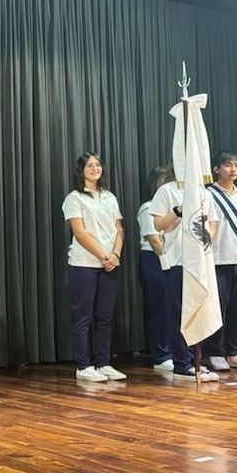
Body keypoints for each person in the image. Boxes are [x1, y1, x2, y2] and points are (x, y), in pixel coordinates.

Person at [150, 167, 220, 382]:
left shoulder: (204, 193)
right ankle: (182, 363)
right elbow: (158, 224)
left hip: (200, 262)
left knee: (198, 310)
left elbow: (213, 222)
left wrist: (207, 237)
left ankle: (195, 360)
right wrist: (178, 211)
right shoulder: (166, 190)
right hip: (177, 261)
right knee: (178, 313)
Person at [61, 153, 126, 382]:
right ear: (81, 170)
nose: (95, 168)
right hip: (84, 265)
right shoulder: (74, 198)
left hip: (110, 264)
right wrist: (103, 256)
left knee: (105, 317)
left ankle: (104, 362)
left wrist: (115, 254)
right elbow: (79, 233)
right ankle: (83, 365)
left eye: (98, 164)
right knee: (83, 317)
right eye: (89, 165)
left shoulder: (109, 197)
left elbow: (119, 229)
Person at [204, 151, 237, 371]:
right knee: (218, 308)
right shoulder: (208, 195)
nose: (233, 169)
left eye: (236, 165)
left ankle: (235, 351)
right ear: (216, 169)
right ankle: (215, 352)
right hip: (217, 259)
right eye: (227, 165)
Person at [137, 167, 171, 371]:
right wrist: (166, 263)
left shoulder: (171, 209)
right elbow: (154, 240)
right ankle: (160, 354)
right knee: (159, 308)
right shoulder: (148, 207)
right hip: (154, 260)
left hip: (171, 260)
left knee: (171, 309)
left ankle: (174, 350)